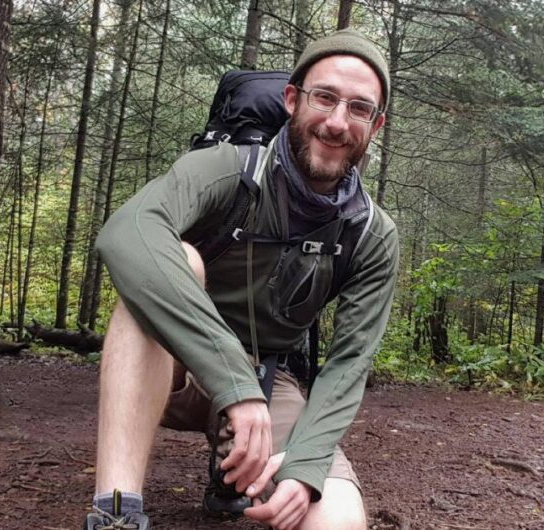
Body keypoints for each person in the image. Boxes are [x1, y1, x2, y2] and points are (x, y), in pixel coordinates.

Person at [85, 28, 399, 530]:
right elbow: (127, 233)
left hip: (271, 382)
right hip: (172, 365)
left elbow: (348, 364)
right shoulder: (225, 170)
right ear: (293, 100)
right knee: (177, 260)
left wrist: (306, 467)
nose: (337, 122)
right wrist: (233, 381)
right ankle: (116, 513)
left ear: (375, 124)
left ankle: (234, 466)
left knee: (337, 519)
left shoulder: (370, 232)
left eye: (359, 108)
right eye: (324, 98)